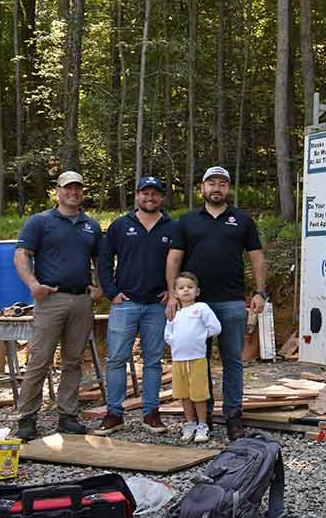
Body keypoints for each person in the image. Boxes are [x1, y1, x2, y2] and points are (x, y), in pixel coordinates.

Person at [166, 166, 266, 441]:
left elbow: (256, 258)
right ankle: (203, 417)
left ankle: (233, 416)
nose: (217, 188)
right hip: (194, 306)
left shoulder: (242, 220)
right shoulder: (186, 221)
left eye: (222, 183)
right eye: (212, 183)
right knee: (200, 362)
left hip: (232, 302)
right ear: (202, 188)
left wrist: (259, 292)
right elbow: (173, 259)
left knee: (233, 361)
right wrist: (173, 294)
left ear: (228, 189)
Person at [12, 171, 103, 441]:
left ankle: (68, 416)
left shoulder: (91, 226)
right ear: (58, 191)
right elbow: (21, 255)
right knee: (39, 360)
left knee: (73, 361)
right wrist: (33, 284)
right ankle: (27, 418)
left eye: (77, 188)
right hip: (50, 299)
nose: (73, 193)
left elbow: (101, 260)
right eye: (67, 188)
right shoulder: (40, 222)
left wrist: (99, 287)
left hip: (81, 300)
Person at [94, 176, 176, 436]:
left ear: (162, 197)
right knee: (117, 359)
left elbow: (181, 261)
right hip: (125, 303)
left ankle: (151, 414)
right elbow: (104, 261)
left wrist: (172, 291)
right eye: (145, 193)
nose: (149, 197)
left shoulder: (173, 227)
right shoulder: (120, 225)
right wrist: (111, 292)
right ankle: (114, 414)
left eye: (155, 193)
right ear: (137, 196)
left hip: (157, 305)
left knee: (154, 361)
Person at [165, 272, 222, 443]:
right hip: (178, 359)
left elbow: (215, 327)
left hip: (197, 358)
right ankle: (190, 423)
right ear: (175, 293)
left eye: (190, 287)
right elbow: (168, 334)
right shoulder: (175, 313)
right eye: (181, 288)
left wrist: (199, 337)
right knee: (184, 394)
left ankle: (202, 424)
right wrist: (175, 341)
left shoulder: (202, 308)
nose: (186, 291)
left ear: (197, 291)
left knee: (199, 393)